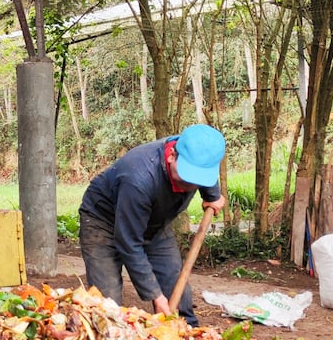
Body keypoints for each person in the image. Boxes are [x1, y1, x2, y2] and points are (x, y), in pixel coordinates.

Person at [78, 124, 227, 325]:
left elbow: (205, 174)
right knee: (107, 306)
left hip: (154, 222)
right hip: (102, 221)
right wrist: (155, 296)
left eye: (197, 181)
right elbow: (129, 243)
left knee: (176, 290)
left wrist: (212, 196)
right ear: (172, 155)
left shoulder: (198, 157)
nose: (190, 187)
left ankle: (187, 332)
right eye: (186, 177)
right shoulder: (138, 178)